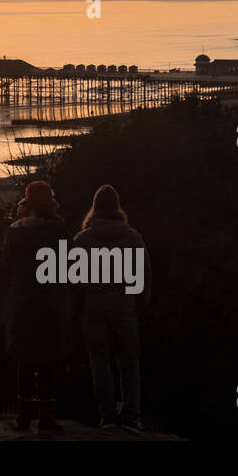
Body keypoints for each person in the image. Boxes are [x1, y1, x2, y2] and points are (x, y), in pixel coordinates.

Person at [73, 184, 151, 433]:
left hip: (93, 306)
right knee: (129, 362)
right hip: (124, 305)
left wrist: (77, 307)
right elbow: (144, 275)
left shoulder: (83, 239)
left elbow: (75, 278)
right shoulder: (132, 237)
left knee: (100, 362)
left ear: (94, 208)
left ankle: (107, 417)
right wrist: (140, 303)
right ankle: (132, 418)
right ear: (117, 206)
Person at [3, 180, 71, 431]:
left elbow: (6, 267)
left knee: (25, 359)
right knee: (47, 360)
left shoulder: (15, 230)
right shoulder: (59, 231)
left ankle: (23, 416)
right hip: (50, 301)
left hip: (22, 300)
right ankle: (46, 417)